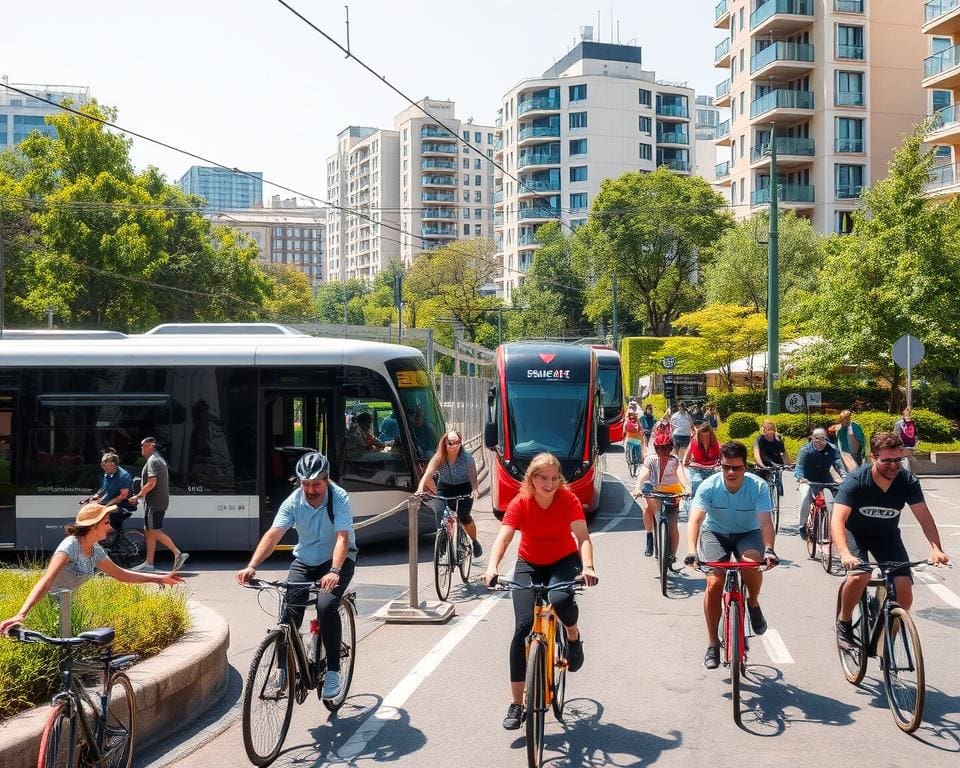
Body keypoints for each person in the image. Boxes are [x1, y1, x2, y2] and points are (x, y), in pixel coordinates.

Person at [482, 452, 598, 730]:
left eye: (554, 478)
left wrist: (589, 567)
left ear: (560, 479)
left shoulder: (568, 500)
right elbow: (505, 536)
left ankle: (572, 635)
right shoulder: (521, 502)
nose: (549, 483)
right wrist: (492, 567)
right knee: (522, 627)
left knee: (560, 598)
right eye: (543, 478)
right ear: (531, 479)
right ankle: (517, 704)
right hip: (529, 563)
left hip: (563, 560)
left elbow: (582, 537)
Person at [236, 452, 357, 700]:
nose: (310, 490)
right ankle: (281, 671)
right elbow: (273, 534)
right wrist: (252, 565)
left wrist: (334, 571)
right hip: (305, 560)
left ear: (327, 480)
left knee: (325, 606)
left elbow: (342, 538)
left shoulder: (339, 498)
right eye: (305, 484)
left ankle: (333, 669)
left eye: (316, 484)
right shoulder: (294, 501)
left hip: (336, 561)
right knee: (288, 612)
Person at [833, 432, 950, 650]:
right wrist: (844, 553)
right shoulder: (857, 480)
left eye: (898, 460)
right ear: (873, 457)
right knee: (860, 576)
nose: (893, 466)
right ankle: (844, 622)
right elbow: (838, 519)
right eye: (887, 460)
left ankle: (886, 642)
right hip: (855, 533)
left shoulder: (906, 481)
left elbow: (924, 517)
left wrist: (936, 549)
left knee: (904, 589)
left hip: (886, 536)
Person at [0, 502, 183, 635]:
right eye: (106, 522)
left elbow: (120, 574)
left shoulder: (95, 550)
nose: (110, 527)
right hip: (48, 611)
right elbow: (46, 581)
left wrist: (159, 578)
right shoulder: (70, 547)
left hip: (68, 608)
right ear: (93, 526)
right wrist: (21, 614)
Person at [684, 441, 778, 669]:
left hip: (748, 533)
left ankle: (753, 602)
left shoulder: (758, 487)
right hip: (715, 533)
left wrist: (769, 549)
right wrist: (691, 551)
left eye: (736, 467)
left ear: (746, 467)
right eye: (726, 467)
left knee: (750, 564)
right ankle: (712, 644)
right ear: (720, 466)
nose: (731, 472)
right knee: (714, 582)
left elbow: (765, 521)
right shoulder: (709, 486)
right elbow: (695, 519)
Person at [416, 430, 483, 558]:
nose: (455, 446)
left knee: (464, 516)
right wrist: (420, 488)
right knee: (440, 511)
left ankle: (474, 541)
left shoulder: (466, 457)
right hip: (445, 486)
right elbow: (428, 474)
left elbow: (472, 474)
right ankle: (442, 539)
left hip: (464, 486)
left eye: (458, 443)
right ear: (445, 444)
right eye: (451, 443)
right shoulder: (439, 457)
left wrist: (474, 488)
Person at [129, 437, 188, 573]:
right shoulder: (159, 459)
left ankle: (177, 553)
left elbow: (152, 483)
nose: (141, 448)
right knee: (149, 531)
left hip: (154, 503)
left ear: (151, 445)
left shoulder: (153, 461)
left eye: (142, 445)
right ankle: (149, 563)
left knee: (154, 531)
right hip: (157, 502)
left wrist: (138, 496)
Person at [632, 433, 688, 558]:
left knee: (673, 526)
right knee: (646, 506)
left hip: (672, 491)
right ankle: (649, 537)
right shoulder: (650, 460)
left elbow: (681, 475)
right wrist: (637, 487)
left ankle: (672, 556)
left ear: (670, 448)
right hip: (654, 489)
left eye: (665, 448)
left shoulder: (675, 461)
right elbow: (644, 474)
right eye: (658, 448)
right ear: (655, 448)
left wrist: (687, 487)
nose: (662, 451)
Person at [794, 428, 846, 540]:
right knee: (806, 494)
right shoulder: (805, 450)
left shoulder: (832, 449)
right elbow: (799, 467)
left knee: (839, 494)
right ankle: (802, 525)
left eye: (822, 439)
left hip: (825, 479)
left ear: (826, 439)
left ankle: (835, 524)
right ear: (812, 438)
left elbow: (838, 464)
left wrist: (844, 476)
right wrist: (801, 478)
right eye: (816, 438)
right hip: (807, 480)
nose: (819, 441)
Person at [94, 450, 136, 531]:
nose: (102, 465)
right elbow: (103, 489)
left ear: (113, 464)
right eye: (102, 463)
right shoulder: (107, 474)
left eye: (105, 463)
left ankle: (112, 535)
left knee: (105, 514)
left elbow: (123, 496)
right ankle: (111, 536)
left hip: (124, 505)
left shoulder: (123, 476)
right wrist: (96, 496)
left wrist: (107, 505)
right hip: (112, 502)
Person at [683, 423, 721, 508]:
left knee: (716, 483)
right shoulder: (694, 442)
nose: (705, 438)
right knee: (697, 481)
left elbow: (722, 454)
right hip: (697, 467)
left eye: (707, 436)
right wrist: (685, 461)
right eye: (703, 436)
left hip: (712, 467)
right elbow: (687, 453)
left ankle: (716, 502)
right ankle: (695, 503)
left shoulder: (716, 443)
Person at [752, 419, 791, 499]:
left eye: (771, 431)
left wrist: (788, 465)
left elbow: (784, 454)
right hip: (763, 463)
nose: (769, 434)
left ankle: (778, 496)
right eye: (767, 431)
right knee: (761, 485)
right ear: (764, 431)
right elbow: (757, 455)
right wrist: (762, 465)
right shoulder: (759, 439)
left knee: (779, 482)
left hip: (777, 463)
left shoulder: (778, 439)